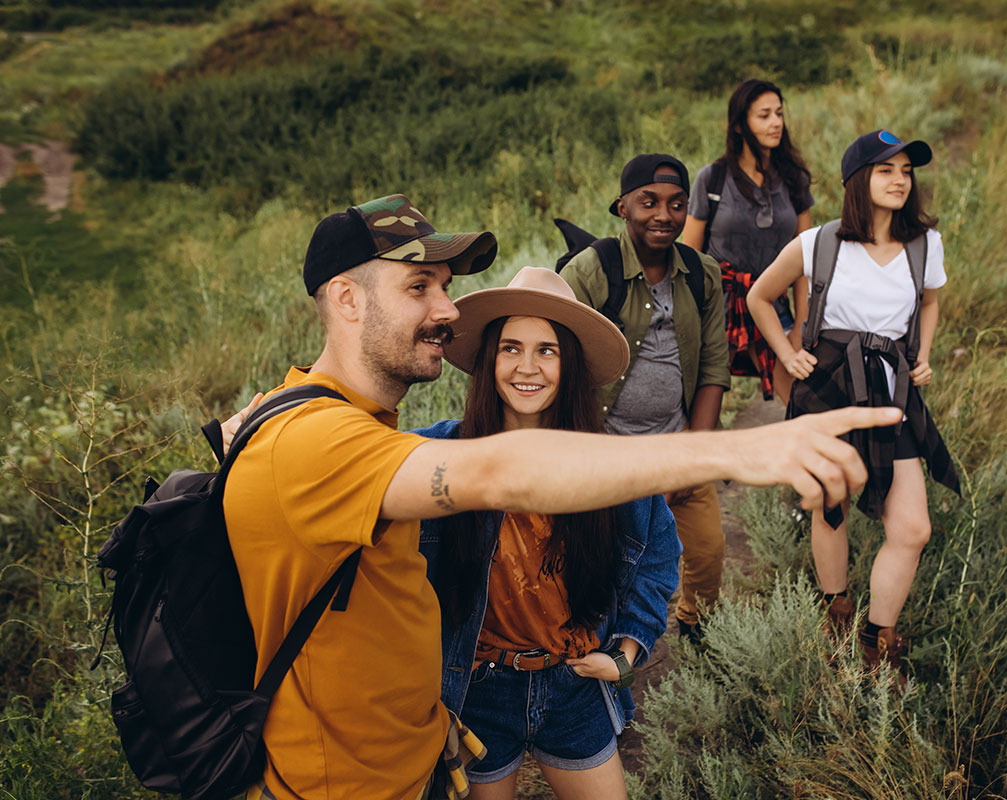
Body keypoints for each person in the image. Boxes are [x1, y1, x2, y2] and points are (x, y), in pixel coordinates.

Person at [221, 190, 900, 800]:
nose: (447, 309)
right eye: (420, 286)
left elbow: (651, 553)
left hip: (451, 739)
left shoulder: (356, 431)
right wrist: (732, 450)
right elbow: (500, 472)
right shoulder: (320, 441)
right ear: (347, 299)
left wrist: (624, 651)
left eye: (445, 288)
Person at [415, 267, 679, 799]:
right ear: (490, 359)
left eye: (547, 351)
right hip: (479, 686)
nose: (527, 367)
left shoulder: (610, 467)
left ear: (569, 364)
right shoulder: (441, 457)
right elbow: (354, 458)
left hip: (574, 684)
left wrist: (626, 655)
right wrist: (274, 420)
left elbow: (658, 556)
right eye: (511, 348)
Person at [746, 131, 960, 676]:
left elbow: (929, 303)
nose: (900, 180)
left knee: (912, 528)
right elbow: (759, 297)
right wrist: (787, 354)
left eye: (906, 171)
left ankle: (874, 640)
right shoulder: (818, 243)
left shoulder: (925, 245)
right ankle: (836, 612)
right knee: (830, 504)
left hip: (891, 390)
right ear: (858, 180)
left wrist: (923, 355)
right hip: (830, 385)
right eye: (886, 170)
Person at [558, 153, 728, 643]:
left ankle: (695, 625)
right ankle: (599, 653)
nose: (664, 215)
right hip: (607, 451)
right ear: (623, 207)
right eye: (649, 202)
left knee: (709, 553)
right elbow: (561, 372)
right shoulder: (589, 272)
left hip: (677, 443)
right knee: (605, 566)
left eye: (677, 204)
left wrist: (691, 457)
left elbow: (714, 364)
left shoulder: (701, 273)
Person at [681, 78, 815, 401]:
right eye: (764, 115)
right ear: (740, 125)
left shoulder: (793, 179)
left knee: (799, 399)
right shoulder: (713, 178)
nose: (776, 123)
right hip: (717, 307)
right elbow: (688, 256)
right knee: (699, 402)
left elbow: (804, 260)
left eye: (779, 114)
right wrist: (688, 321)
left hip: (772, 304)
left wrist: (801, 323)